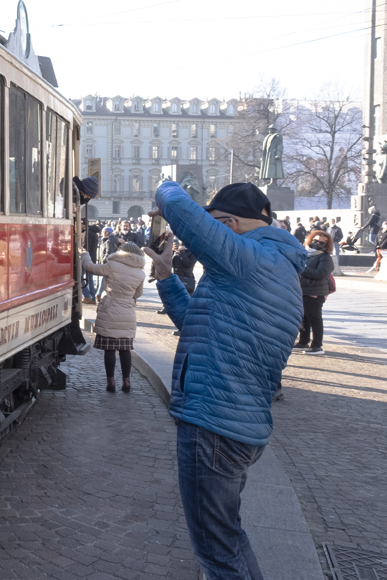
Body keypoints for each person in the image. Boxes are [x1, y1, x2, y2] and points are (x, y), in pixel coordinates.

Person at [144, 181, 305, 578]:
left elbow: (182, 209)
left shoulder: (248, 258)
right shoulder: (272, 266)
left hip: (213, 425)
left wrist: (163, 187)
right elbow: (195, 325)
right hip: (237, 425)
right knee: (227, 541)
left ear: (229, 223)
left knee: (217, 555)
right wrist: (166, 277)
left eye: (214, 224)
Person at [80, 241, 147, 393]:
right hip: (127, 312)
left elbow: (90, 267)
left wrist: (84, 254)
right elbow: (138, 294)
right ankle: (127, 381)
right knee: (125, 349)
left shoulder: (113, 265)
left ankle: (110, 382)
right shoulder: (140, 273)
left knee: (109, 349)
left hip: (110, 310)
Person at [294, 230, 334, 356]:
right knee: (303, 317)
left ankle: (317, 345)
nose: (317, 244)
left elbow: (320, 274)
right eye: (315, 241)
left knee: (315, 318)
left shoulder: (325, 257)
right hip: (302, 290)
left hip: (316, 291)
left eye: (322, 242)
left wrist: (302, 269)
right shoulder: (304, 253)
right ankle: (303, 342)